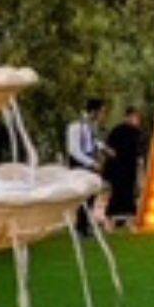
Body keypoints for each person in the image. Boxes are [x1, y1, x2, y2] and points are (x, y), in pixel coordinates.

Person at [65, 97, 108, 236]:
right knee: (82, 196)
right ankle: (79, 227)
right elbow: (74, 150)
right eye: (101, 112)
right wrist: (92, 163)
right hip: (80, 164)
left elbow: (92, 141)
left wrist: (104, 149)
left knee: (91, 195)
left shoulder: (91, 126)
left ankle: (85, 226)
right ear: (94, 111)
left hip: (90, 161)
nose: (103, 116)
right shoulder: (75, 126)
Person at [103, 107, 145, 229]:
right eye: (135, 117)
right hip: (118, 169)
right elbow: (109, 149)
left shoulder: (136, 133)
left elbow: (138, 152)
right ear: (128, 117)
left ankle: (128, 220)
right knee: (117, 194)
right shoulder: (118, 131)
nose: (137, 120)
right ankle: (111, 220)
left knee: (129, 195)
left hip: (129, 169)